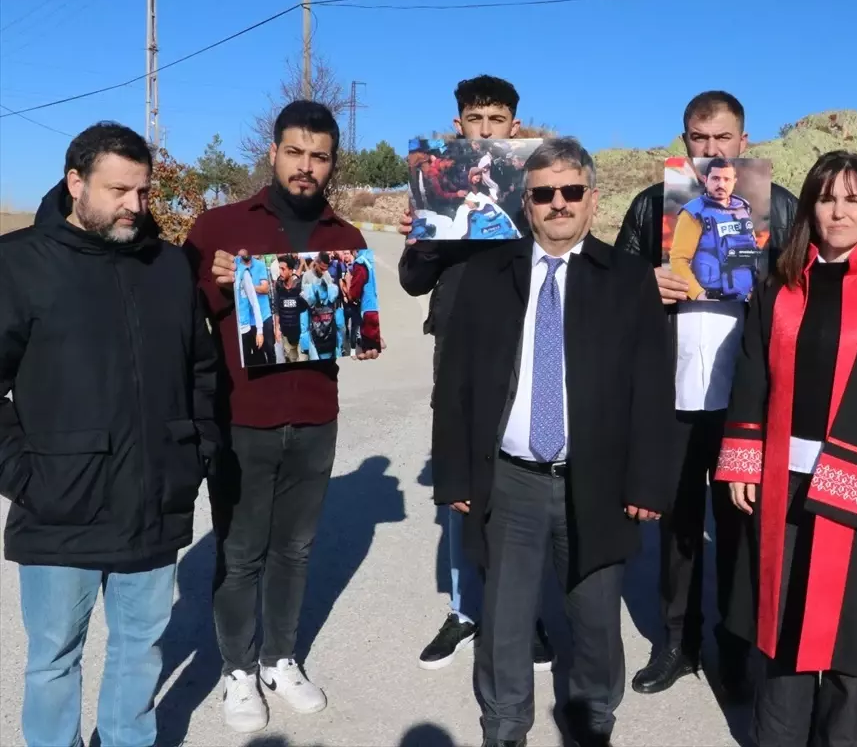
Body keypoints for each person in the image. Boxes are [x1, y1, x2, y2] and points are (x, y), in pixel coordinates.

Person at [432, 137, 675, 747]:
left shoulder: (628, 279)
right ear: (527, 203)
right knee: (505, 619)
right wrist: (456, 476)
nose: (558, 204)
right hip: (510, 478)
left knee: (595, 619)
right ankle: (505, 725)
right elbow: (454, 380)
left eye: (571, 191)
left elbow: (652, 386)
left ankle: (593, 721)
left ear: (593, 199)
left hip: (595, 476)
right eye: (544, 194)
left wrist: (648, 480)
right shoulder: (487, 275)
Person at [713, 150, 857, 746]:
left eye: (852, 198)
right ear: (809, 208)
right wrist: (741, 457)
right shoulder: (781, 283)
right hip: (783, 484)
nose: (837, 211)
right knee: (784, 624)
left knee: (852, 635)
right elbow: (751, 376)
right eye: (825, 198)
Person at [0, 122, 219, 747]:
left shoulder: (169, 265)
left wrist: (192, 452)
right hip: (59, 507)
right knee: (53, 659)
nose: (135, 205)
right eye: (118, 190)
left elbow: (201, 370)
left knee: (139, 651)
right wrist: (26, 474)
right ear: (76, 184)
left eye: (144, 192)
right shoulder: (18, 265)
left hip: (152, 499)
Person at [183, 100, 384, 734]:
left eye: (318, 156)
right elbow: (179, 321)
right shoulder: (217, 227)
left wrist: (365, 333)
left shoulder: (345, 241)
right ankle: (237, 669)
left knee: (295, 550)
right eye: (294, 152)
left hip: (315, 418)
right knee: (241, 552)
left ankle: (279, 657)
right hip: (241, 417)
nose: (305, 166)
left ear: (331, 164)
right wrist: (214, 287)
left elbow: (356, 324)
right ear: (272, 154)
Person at [614, 90, 797, 699]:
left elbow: (806, 296)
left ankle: (736, 647)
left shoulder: (779, 208)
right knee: (677, 526)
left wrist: (766, 287)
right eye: (700, 137)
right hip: (674, 394)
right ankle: (678, 643)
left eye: (723, 138)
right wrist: (648, 283)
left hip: (746, 397)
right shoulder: (653, 207)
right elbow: (612, 291)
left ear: (745, 143)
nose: (712, 149)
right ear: (684, 141)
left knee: (741, 525)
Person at [397, 75, 555, 673]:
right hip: (456, 345)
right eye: (473, 119)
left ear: (515, 126)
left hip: (524, 342)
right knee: (460, 482)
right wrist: (431, 237)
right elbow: (412, 280)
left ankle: (526, 610)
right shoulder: (435, 185)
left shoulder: (534, 184)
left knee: (524, 475)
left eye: (495, 119)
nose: (484, 129)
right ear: (457, 125)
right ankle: (465, 610)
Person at [669, 157, 758, 301]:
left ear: (734, 181)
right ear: (706, 179)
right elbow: (678, 260)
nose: (721, 184)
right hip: (711, 298)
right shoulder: (694, 212)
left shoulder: (742, 209)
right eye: (715, 178)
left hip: (747, 298)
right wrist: (699, 295)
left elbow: (753, 250)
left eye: (726, 179)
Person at [274, 254, 309, 362]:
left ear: (290, 271)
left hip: (301, 334)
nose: (280, 272)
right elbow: (277, 309)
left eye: (283, 269)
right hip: (286, 335)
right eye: (279, 269)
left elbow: (308, 306)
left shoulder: (300, 286)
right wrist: (276, 328)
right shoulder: (279, 287)